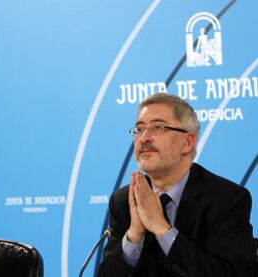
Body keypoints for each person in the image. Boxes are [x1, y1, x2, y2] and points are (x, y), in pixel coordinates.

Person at [98, 93, 254, 276]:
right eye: (139, 129)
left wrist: (161, 228)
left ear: (187, 142)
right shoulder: (125, 200)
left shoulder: (227, 199)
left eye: (157, 127)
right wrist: (134, 235)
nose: (143, 138)